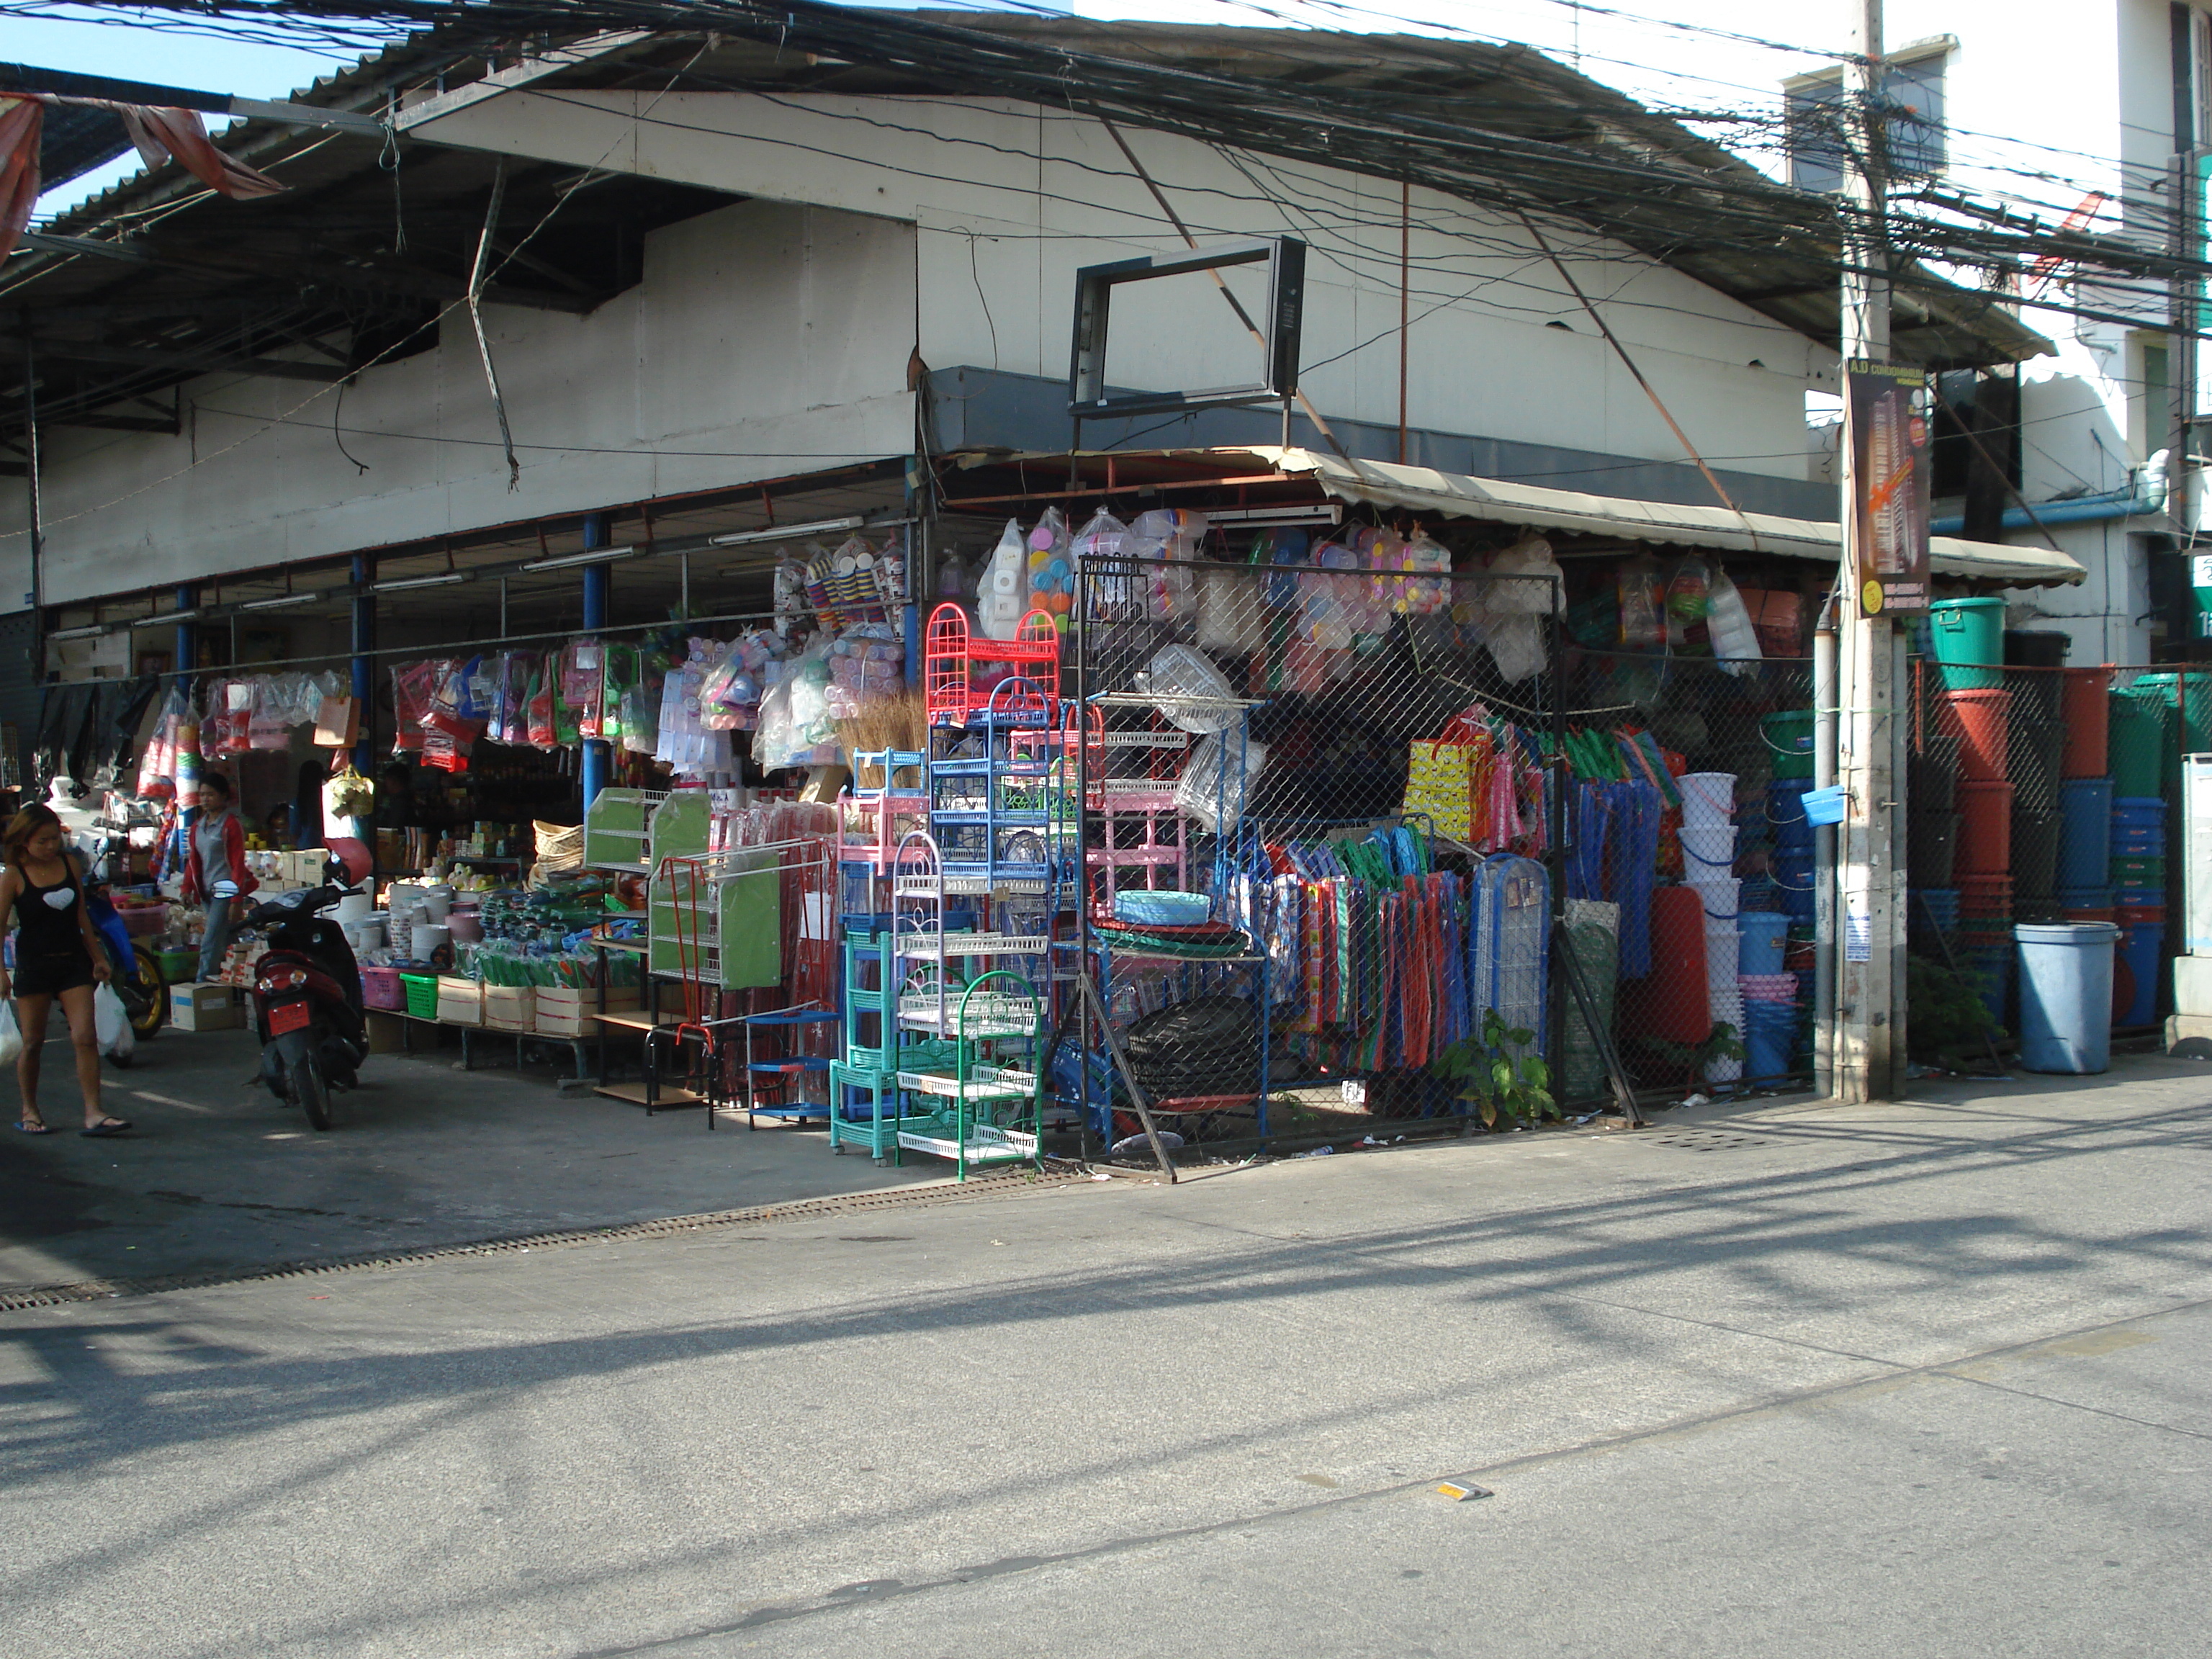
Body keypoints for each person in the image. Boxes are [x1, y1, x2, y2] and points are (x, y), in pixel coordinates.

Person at [0, 803, 127, 1136]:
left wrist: (98, 956)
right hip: (33, 965)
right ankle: (30, 1109)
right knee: (33, 1041)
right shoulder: (13, 876)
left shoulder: (69, 865)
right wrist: (1, 972)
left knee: (85, 1037)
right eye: (41, 841)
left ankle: (94, 1111)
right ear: (24, 841)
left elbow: (82, 917)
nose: (49, 846)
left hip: (72, 960)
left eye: (54, 839)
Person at [182, 771, 258, 984]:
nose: (205, 799)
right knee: (226, 941)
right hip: (207, 891)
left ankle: (200, 987)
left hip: (226, 891)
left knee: (210, 942)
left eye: (211, 795)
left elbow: (237, 864)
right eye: (202, 795)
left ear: (224, 796)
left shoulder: (231, 825)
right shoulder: (198, 827)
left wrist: (236, 900)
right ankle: (233, 985)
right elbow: (193, 860)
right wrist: (186, 888)